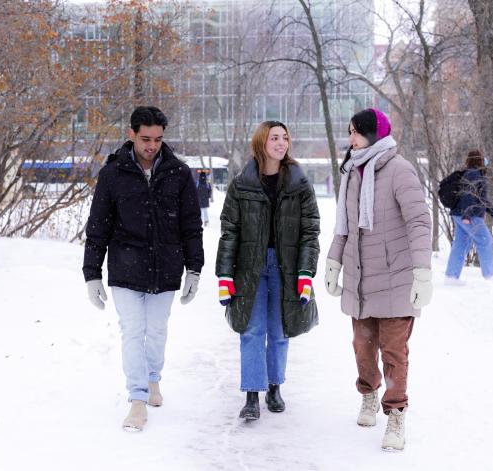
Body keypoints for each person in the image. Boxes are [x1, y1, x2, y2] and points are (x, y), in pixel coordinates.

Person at [82, 106, 204, 433]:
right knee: (133, 331)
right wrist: (92, 273)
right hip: (125, 266)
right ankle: (137, 399)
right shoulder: (112, 174)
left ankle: (152, 379)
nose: (152, 145)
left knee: (157, 330)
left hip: (166, 267)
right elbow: (97, 227)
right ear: (132, 134)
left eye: (158, 139)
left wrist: (194, 268)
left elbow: (192, 226)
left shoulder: (179, 173)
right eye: (146, 138)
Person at [322, 108, 432, 452]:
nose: (351, 139)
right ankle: (368, 394)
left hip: (397, 278)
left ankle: (396, 413)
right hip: (361, 280)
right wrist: (333, 263)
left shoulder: (399, 170)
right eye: (350, 131)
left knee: (394, 351)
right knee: (363, 347)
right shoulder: (353, 171)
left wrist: (422, 272)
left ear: (374, 135)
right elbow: (345, 225)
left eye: (356, 132)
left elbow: (418, 221)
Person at [215, 121, 320, 422]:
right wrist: (225, 275)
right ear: (262, 142)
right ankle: (251, 395)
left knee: (279, 331)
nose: (281, 143)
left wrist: (305, 272)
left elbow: (310, 231)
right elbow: (230, 231)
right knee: (251, 329)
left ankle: (274, 388)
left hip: (286, 268)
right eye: (274, 137)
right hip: (250, 267)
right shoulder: (242, 183)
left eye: (285, 137)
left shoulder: (299, 183)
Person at [444, 150, 493, 282]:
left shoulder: (470, 173)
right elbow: (468, 194)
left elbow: (480, 198)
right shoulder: (474, 174)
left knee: (461, 245)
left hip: (460, 214)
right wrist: (467, 215)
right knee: (486, 242)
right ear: (479, 160)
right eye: (482, 158)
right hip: (470, 215)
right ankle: (490, 277)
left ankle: (451, 277)